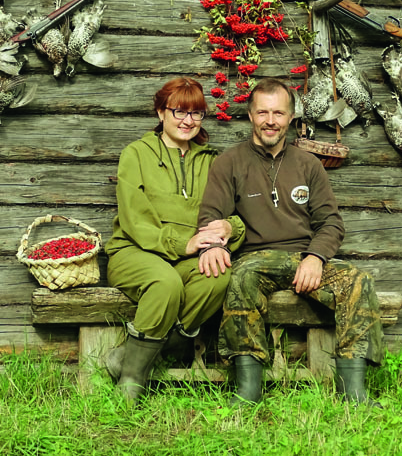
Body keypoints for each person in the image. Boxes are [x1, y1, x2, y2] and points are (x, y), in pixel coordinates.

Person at [197, 78, 384, 406]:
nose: (271, 120)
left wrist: (316, 256)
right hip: (255, 260)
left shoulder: (307, 164)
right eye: (263, 112)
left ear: (292, 117)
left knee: (358, 281)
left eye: (279, 113)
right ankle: (248, 391)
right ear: (251, 115)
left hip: (304, 259)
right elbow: (211, 216)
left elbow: (330, 222)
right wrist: (213, 245)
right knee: (241, 277)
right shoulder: (229, 162)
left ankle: (354, 393)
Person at [104, 77, 246, 402]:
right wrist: (185, 242)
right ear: (160, 113)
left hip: (186, 258)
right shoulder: (136, 154)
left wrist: (229, 229)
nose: (187, 121)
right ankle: (132, 380)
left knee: (217, 278)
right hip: (134, 251)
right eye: (179, 111)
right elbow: (135, 219)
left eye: (196, 113)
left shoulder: (213, 161)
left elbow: (240, 213)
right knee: (164, 283)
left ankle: (134, 356)